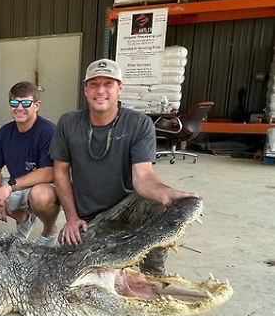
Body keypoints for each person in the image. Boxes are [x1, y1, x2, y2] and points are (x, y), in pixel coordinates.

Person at [50, 58, 198, 274]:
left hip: (127, 208)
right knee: (67, 259)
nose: (100, 90)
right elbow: (60, 173)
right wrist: (72, 218)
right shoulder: (68, 123)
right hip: (90, 218)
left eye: (108, 84)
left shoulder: (138, 124)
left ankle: (153, 276)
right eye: (94, 84)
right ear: (85, 89)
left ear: (120, 89)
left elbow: (143, 177)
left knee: (157, 208)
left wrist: (165, 194)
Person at [0, 81, 59, 246]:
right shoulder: (4, 132)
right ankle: (22, 217)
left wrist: (9, 187)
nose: (19, 108)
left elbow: (48, 172)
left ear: (37, 105)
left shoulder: (48, 131)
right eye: (15, 103)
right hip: (15, 185)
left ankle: (49, 231)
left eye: (26, 103)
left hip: (42, 186)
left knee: (40, 197)